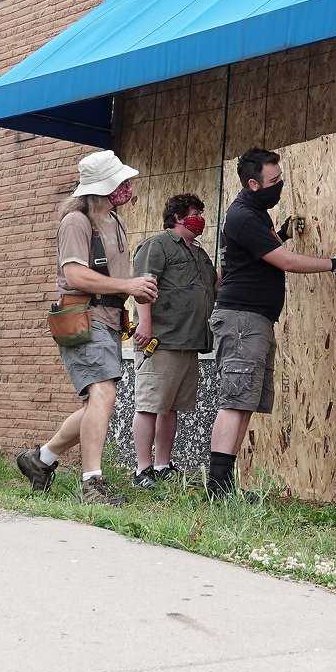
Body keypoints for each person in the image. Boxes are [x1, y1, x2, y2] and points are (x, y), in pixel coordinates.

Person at [206, 146, 336, 501]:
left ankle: (225, 484)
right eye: (274, 181)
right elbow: (284, 262)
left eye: (282, 178)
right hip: (242, 320)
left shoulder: (258, 215)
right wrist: (335, 263)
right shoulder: (243, 216)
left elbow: (264, 253)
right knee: (234, 400)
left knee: (245, 401)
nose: (281, 185)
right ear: (253, 184)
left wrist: (284, 233)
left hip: (255, 319)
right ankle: (216, 488)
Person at [16, 151, 159, 505]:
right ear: (104, 186)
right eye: (121, 181)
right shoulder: (76, 223)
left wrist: (137, 304)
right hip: (84, 318)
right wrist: (129, 287)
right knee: (104, 395)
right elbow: (75, 275)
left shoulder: (115, 221)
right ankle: (92, 484)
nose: (128, 187)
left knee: (97, 404)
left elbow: (121, 279)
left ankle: (40, 459)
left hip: (110, 321)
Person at [127, 192, 217, 489]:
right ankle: (142, 469)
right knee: (150, 405)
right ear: (178, 216)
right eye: (195, 212)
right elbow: (144, 285)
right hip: (161, 340)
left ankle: (163, 465)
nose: (200, 219)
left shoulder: (200, 253)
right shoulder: (158, 245)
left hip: (188, 341)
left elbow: (212, 286)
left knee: (171, 408)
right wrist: (146, 325)